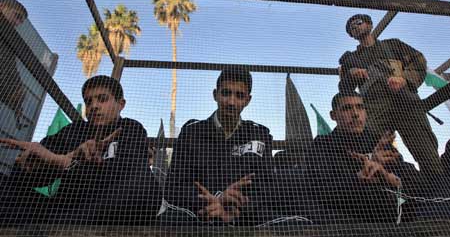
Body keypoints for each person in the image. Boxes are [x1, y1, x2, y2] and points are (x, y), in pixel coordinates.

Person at [0, 75, 161, 225]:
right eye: (88, 102)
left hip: (109, 211)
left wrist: (67, 163)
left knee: (147, 185)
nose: (94, 106)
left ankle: (61, 228)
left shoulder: (131, 128)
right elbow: (29, 176)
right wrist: (32, 165)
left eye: (102, 99)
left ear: (121, 104)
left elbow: (131, 174)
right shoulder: (73, 131)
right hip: (61, 211)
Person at [163, 68, 276, 226]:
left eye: (239, 95)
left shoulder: (260, 135)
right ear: (215, 94)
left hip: (244, 217)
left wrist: (235, 210)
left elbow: (268, 187)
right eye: (226, 93)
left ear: (248, 100)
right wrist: (216, 199)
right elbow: (173, 187)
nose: (231, 102)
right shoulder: (191, 132)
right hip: (199, 216)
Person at [339, 14, 441, 174]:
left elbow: (419, 60)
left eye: (358, 23)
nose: (355, 27)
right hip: (375, 111)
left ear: (370, 25)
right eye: (351, 28)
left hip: (406, 104)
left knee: (426, 153)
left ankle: (438, 191)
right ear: (352, 36)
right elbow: (344, 90)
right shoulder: (351, 60)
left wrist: (404, 79)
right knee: (377, 154)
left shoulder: (393, 45)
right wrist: (352, 75)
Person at [297, 91, 419, 224]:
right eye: (347, 108)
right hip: (343, 220)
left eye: (360, 107)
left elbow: (412, 179)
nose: (355, 114)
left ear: (366, 112)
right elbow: (319, 188)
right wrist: (360, 176)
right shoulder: (322, 144)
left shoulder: (378, 141)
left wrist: (384, 172)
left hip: (387, 216)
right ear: (333, 116)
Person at [0, 0, 28, 129]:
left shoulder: (8, 37)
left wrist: (16, 96)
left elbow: (8, 65)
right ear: (1, 6)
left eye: (20, 22)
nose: (17, 23)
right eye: (16, 16)